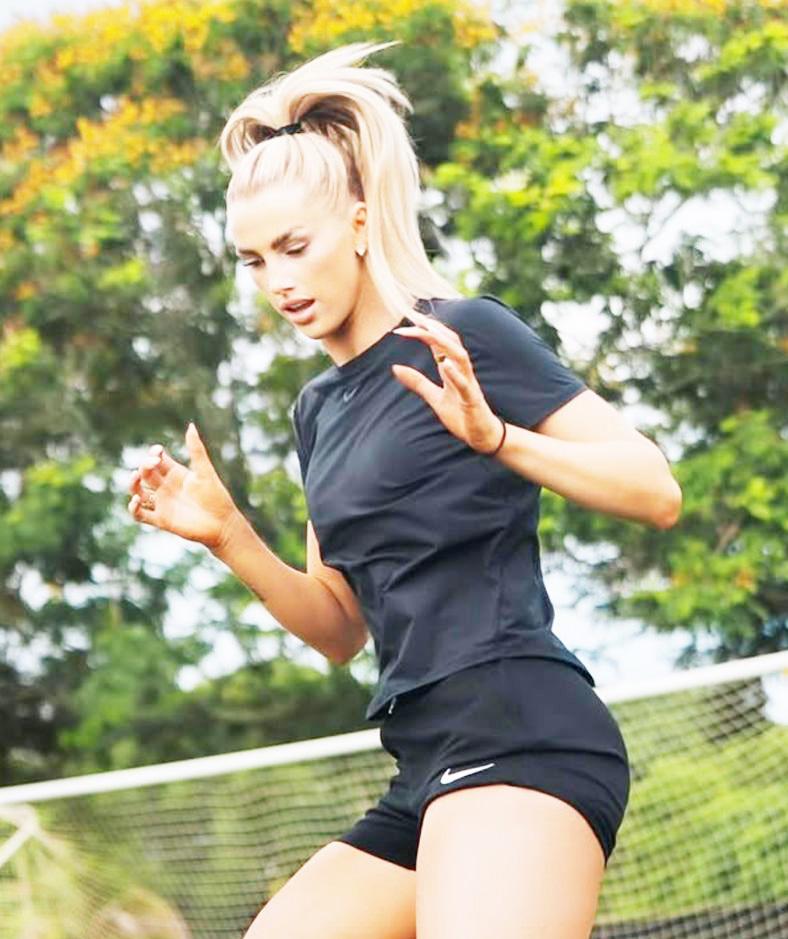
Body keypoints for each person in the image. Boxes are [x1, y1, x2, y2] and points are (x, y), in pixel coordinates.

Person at [128, 39, 682, 939]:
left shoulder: (462, 336)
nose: (278, 281)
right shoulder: (318, 411)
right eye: (254, 260)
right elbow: (339, 628)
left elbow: (655, 489)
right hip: (422, 761)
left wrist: (497, 438)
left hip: (520, 733)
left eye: (294, 247)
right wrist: (229, 535)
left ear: (357, 223)